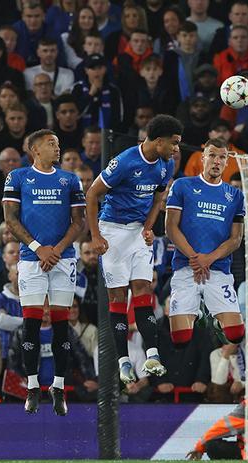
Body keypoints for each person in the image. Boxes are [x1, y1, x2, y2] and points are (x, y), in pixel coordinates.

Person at [85, 114, 182, 384]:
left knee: (142, 289)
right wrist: (95, 235)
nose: (176, 149)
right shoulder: (125, 161)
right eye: (173, 143)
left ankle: (152, 355)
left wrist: (149, 226)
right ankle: (123, 361)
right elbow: (92, 194)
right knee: (118, 296)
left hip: (138, 229)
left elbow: (159, 195)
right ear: (158, 140)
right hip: (112, 230)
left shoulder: (166, 165)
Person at [2, 129, 85, 416]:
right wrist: (39, 248)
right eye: (52, 144)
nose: (57, 148)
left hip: (63, 259)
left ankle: (59, 387)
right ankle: (33, 387)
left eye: (58, 144)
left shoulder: (70, 179)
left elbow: (79, 222)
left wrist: (57, 250)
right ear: (35, 149)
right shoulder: (18, 177)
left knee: (62, 325)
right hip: (30, 258)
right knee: (32, 325)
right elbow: (10, 218)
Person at [165, 138, 245, 349]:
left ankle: (215, 317)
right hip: (186, 267)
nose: (217, 161)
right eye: (212, 155)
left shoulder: (235, 196)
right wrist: (195, 258)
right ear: (203, 158)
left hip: (217, 270)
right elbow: (171, 227)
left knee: (236, 335)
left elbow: (236, 239)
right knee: (180, 339)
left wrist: (208, 259)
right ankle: (199, 312)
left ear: (227, 162)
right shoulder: (183, 185)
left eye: (222, 157)